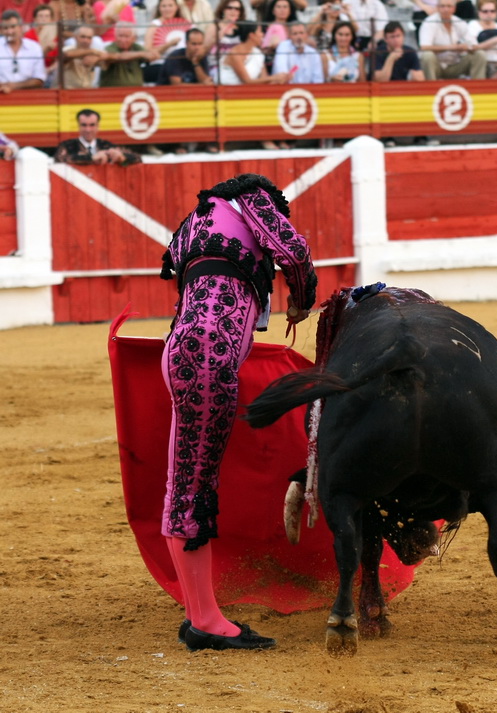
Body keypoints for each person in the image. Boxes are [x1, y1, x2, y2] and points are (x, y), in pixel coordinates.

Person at [159, 173, 317, 652]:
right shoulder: (252, 200)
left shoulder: (193, 224)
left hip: (183, 350)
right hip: (209, 354)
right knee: (192, 489)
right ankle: (205, 622)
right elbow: (294, 251)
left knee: (183, 483)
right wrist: (301, 301)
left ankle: (198, 614)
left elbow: (180, 279)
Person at [419, 0, 487, 80]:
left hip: (457, 63)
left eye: (449, 6)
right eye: (442, 6)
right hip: (437, 65)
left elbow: (474, 44)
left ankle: (478, 88)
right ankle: (430, 89)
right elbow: (424, 47)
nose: (446, 9)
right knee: (427, 56)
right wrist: (453, 47)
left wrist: (467, 48)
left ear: (454, 8)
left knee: (480, 54)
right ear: (437, 8)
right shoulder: (429, 22)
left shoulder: (459, 22)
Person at [54, 108, 142, 165]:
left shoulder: (106, 145)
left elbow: (138, 158)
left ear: (98, 126)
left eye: (92, 125)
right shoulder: (68, 145)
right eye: (84, 125)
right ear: (78, 125)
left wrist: (122, 157)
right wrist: (91, 158)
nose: (88, 130)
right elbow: (59, 159)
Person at [143, 0, 192, 84]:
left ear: (176, 7)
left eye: (170, 5)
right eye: (164, 6)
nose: (167, 9)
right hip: (160, 64)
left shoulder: (186, 23)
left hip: (182, 63)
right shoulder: (154, 25)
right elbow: (147, 52)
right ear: (159, 8)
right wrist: (169, 44)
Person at [100, 21, 159, 87]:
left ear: (134, 38)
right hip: (113, 93)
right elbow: (118, 57)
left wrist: (152, 54)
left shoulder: (136, 47)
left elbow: (151, 56)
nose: (123, 40)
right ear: (115, 36)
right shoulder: (110, 48)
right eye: (120, 36)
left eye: (126, 36)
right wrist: (141, 54)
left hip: (135, 92)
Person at [0, 9, 46, 92]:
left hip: (29, 97)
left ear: (21, 27)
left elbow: (39, 80)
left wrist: (13, 86)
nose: (9, 31)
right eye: (5, 28)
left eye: (13, 27)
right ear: (2, 30)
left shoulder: (34, 47)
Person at [467, 0, 497, 78]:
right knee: (493, 70)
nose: (489, 14)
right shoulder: (473, 25)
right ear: (479, 12)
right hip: (483, 63)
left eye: (492, 11)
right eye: (485, 11)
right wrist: (493, 41)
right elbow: (472, 48)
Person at [60, 24, 107, 88]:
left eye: (89, 38)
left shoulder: (95, 54)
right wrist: (92, 51)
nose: (86, 40)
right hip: (68, 92)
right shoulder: (67, 49)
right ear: (75, 37)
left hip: (87, 93)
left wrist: (98, 59)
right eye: (83, 37)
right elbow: (67, 55)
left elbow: (110, 57)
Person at [23, 2, 57, 85]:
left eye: (47, 16)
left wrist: (49, 69)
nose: (43, 19)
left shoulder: (56, 35)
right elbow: (29, 60)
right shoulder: (28, 35)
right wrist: (45, 51)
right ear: (35, 19)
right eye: (40, 16)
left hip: (51, 70)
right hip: (32, 71)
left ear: (51, 19)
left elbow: (60, 60)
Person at [261, 0, 297, 68]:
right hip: (274, 64)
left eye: (285, 7)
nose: (282, 10)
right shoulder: (268, 27)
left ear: (290, 10)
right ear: (273, 11)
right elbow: (265, 48)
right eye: (279, 7)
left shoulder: (294, 27)